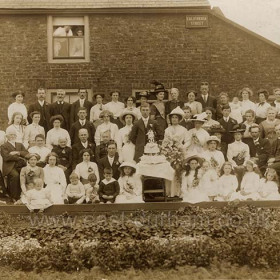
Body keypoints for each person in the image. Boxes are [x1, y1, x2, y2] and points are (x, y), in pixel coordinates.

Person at [1, 126, 28, 201]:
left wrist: (17, 152)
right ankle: (14, 196)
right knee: (15, 176)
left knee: (26, 174)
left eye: (14, 135)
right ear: (7, 136)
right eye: (10, 135)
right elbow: (6, 157)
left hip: (21, 165)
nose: (12, 136)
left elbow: (26, 153)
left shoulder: (20, 144)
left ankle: (25, 195)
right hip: (10, 166)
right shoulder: (4, 146)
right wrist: (18, 157)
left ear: (16, 136)